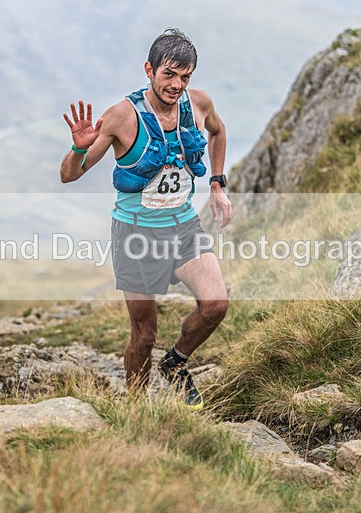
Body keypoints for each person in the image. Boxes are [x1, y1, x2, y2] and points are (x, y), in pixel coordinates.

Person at [60, 28, 232, 410]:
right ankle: (135, 410)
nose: (176, 85)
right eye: (168, 74)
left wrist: (217, 183)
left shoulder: (199, 103)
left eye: (184, 77)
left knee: (216, 304)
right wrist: (78, 147)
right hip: (135, 235)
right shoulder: (122, 116)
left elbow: (218, 132)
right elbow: (69, 175)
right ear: (149, 70)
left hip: (183, 226)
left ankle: (175, 363)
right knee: (144, 335)